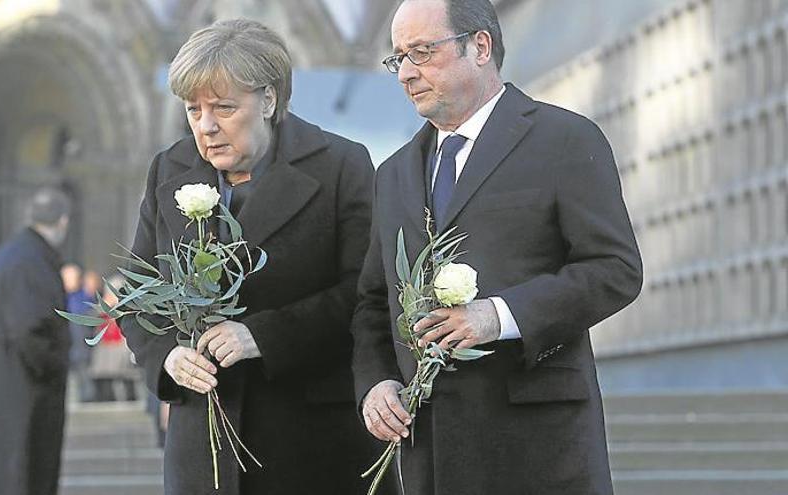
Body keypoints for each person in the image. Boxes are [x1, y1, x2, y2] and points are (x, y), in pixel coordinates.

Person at [351, 1, 644, 494]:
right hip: (430, 452)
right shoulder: (393, 173)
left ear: (479, 46)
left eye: (421, 52)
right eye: (397, 58)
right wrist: (376, 383)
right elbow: (372, 302)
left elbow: (615, 269)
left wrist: (500, 315)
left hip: (537, 449)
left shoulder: (564, 139)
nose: (405, 73)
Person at [120, 19, 384, 495]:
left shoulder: (343, 165)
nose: (205, 125)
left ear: (268, 100)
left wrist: (262, 336)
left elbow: (364, 293)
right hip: (202, 450)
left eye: (223, 107)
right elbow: (139, 295)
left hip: (308, 445)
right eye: (193, 109)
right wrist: (168, 358)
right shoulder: (168, 167)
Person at [0, 188, 72, 495]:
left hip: (7, 380)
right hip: (27, 390)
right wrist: (55, 365)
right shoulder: (31, 259)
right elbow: (30, 329)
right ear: (62, 221)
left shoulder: (13, 253)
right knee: (24, 473)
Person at [62, 263, 95, 402]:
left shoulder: (84, 297)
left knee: (84, 378)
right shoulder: (61, 296)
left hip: (81, 347)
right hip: (66, 348)